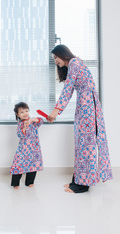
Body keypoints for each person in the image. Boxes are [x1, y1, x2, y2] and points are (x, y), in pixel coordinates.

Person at [48, 44, 113, 193]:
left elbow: (68, 89)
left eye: (56, 57)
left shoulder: (75, 63)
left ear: (63, 54)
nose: (55, 61)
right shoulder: (74, 65)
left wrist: (55, 111)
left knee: (86, 146)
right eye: (54, 59)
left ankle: (83, 185)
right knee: (81, 144)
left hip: (88, 106)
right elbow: (70, 88)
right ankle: (76, 181)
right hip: (85, 105)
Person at [10, 102, 43, 189]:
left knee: (33, 165)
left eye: (26, 111)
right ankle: (15, 183)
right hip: (23, 149)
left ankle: (29, 182)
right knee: (18, 165)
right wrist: (24, 128)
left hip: (34, 148)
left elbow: (41, 120)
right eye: (22, 112)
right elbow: (20, 135)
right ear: (17, 114)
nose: (25, 113)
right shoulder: (20, 124)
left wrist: (32, 120)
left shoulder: (33, 122)